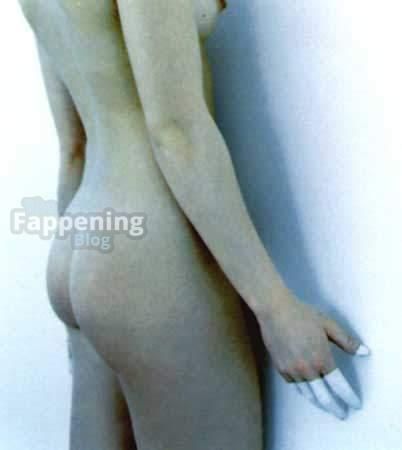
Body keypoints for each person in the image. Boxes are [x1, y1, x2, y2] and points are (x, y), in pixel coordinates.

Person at [18, 0, 370, 449]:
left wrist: (79, 308)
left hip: (83, 236)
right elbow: (176, 133)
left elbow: (74, 146)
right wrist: (276, 308)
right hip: (148, 255)